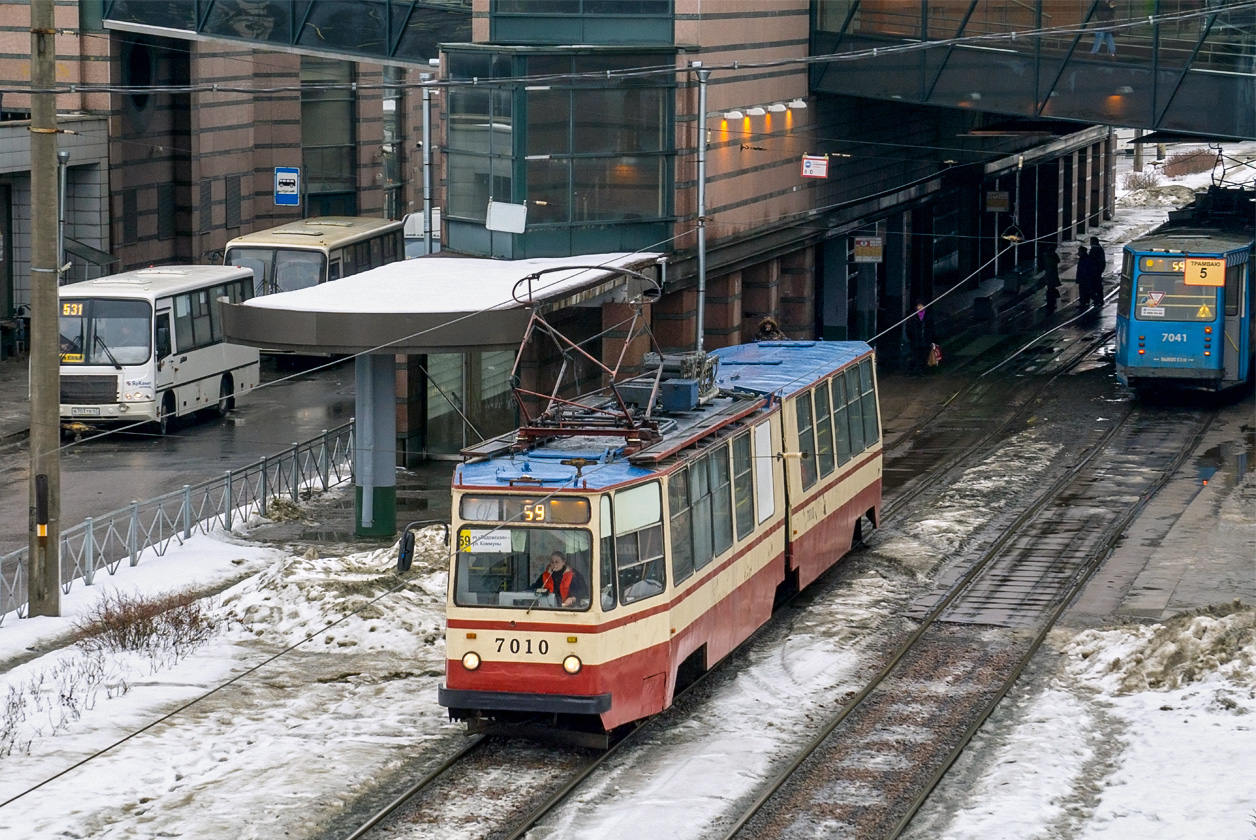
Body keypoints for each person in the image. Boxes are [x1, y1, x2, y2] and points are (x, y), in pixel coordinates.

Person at [904, 300, 935, 376]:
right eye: (918, 306)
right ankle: (911, 371)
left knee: (923, 356)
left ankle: (920, 370)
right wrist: (911, 337)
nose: (920, 307)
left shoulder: (928, 317)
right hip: (915, 340)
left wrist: (930, 339)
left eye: (921, 305)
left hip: (925, 340)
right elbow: (908, 329)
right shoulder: (912, 317)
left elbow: (931, 329)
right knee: (914, 356)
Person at [1042, 245, 1062, 315]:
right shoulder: (1052, 256)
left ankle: (1050, 303)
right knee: (1051, 288)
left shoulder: (1047, 256)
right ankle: (1052, 302)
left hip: (1050, 275)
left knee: (1050, 289)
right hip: (1052, 274)